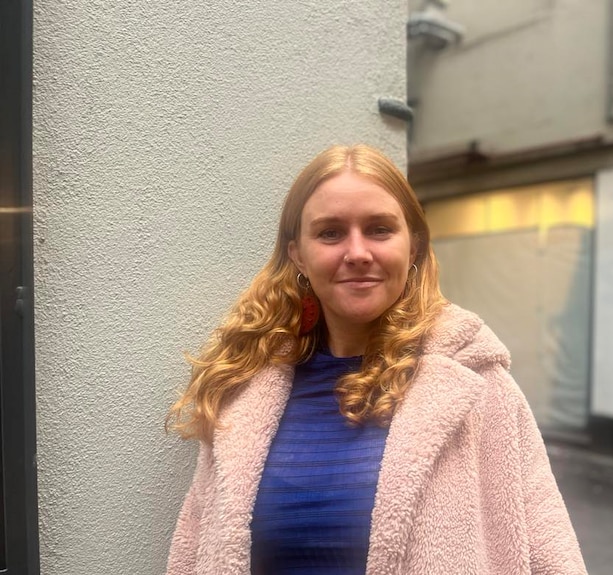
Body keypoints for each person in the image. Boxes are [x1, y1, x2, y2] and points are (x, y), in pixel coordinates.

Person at [165, 144, 588, 575]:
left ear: (414, 246)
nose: (358, 252)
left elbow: (550, 551)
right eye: (330, 233)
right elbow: (194, 551)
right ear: (297, 254)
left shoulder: (475, 385)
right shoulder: (245, 394)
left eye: (380, 229)